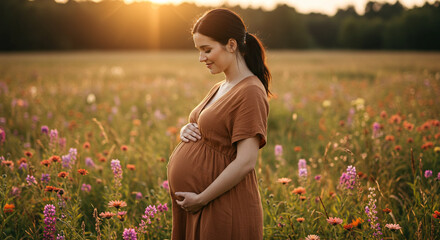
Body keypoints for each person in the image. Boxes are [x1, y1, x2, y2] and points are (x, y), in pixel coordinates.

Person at [166, 8, 271, 240]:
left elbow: (246, 161)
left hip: (222, 205)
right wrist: (187, 129)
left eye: (207, 50)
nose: (201, 58)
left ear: (231, 45)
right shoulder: (221, 86)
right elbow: (211, 129)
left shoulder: (251, 91)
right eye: (199, 51)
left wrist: (201, 199)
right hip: (199, 205)